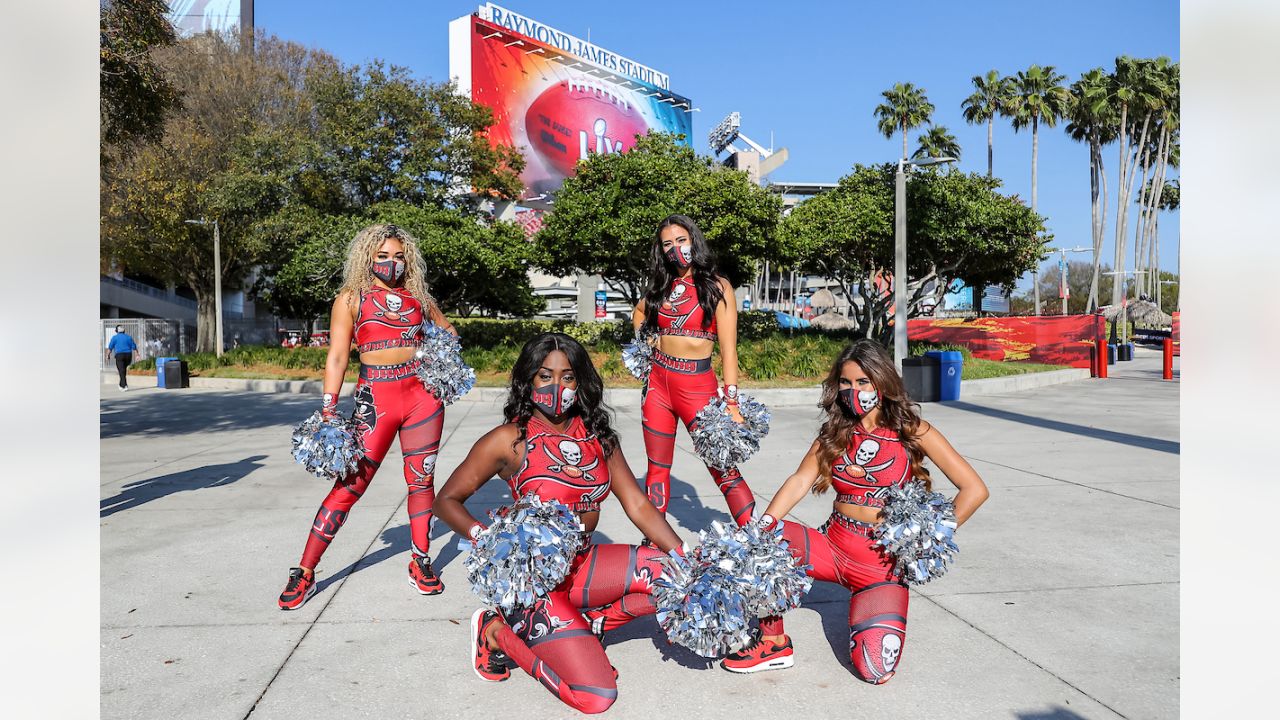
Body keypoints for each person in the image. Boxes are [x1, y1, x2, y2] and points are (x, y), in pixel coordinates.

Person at [435, 333, 684, 715]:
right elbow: (446, 501)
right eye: (544, 375)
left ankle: (589, 626)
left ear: (581, 382)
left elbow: (637, 504)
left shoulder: (599, 438)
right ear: (528, 380)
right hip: (534, 582)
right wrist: (488, 541)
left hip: (583, 566)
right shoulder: (509, 440)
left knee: (674, 578)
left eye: (568, 377)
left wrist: (686, 559)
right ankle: (495, 633)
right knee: (596, 697)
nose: (557, 386)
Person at [719, 340, 989, 680]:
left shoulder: (912, 429)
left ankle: (872, 609)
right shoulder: (837, 431)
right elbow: (802, 479)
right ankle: (774, 642)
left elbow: (974, 490)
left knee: (875, 669)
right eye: (845, 383)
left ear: (882, 381)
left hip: (881, 566)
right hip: (832, 546)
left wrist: (928, 541)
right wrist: (767, 524)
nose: (853, 390)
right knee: (761, 544)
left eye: (862, 382)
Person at [278, 223, 457, 610]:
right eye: (382, 256)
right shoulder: (350, 299)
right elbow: (338, 356)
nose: (392, 263)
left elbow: (449, 331)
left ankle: (420, 561)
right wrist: (328, 407)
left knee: (421, 480)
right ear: (367, 258)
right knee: (351, 484)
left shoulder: (419, 298)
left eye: (398, 256)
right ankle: (305, 571)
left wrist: (439, 357)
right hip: (375, 400)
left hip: (423, 399)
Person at [633, 214, 757, 530]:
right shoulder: (661, 287)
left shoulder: (717, 286)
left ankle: (756, 537)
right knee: (657, 469)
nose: (675, 248)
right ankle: (655, 545)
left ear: (693, 241)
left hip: (698, 387)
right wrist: (646, 345)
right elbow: (638, 312)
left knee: (722, 465)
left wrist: (731, 403)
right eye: (667, 244)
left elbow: (729, 350)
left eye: (681, 240)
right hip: (658, 386)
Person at [105, 325, 138, 391]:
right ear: (124, 331)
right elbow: (134, 347)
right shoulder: (128, 337)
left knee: (121, 370)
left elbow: (110, 348)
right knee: (123, 370)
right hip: (128, 355)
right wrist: (137, 355)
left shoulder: (114, 338)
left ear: (117, 331)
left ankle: (124, 385)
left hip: (119, 355)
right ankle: (121, 384)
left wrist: (107, 355)